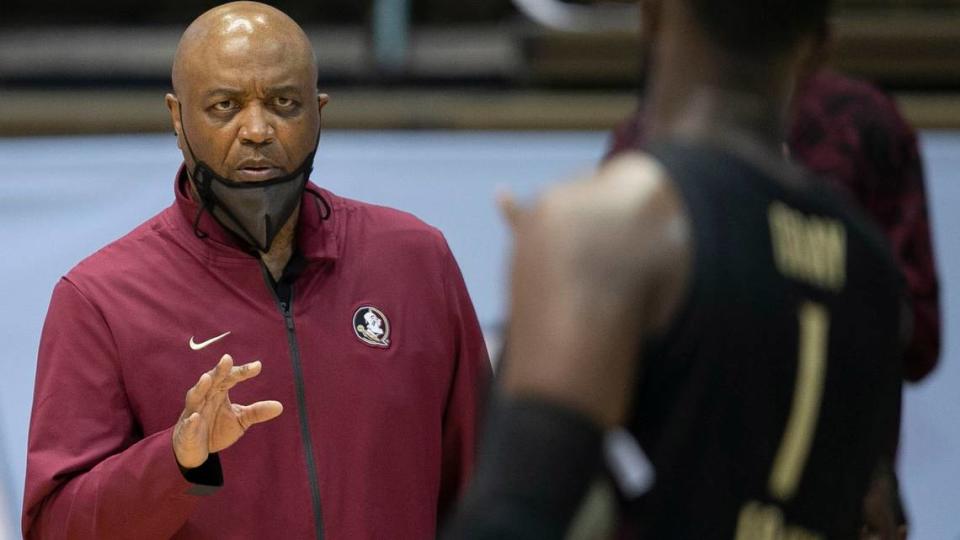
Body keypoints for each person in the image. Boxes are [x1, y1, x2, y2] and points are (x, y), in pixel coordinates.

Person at [22, 3, 491, 539]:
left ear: (319, 111)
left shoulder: (415, 260)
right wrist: (177, 460)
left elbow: (488, 494)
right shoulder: (100, 299)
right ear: (177, 118)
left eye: (284, 102)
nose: (257, 129)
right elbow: (55, 528)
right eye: (225, 105)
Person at [445, 0, 905, 538]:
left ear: (652, 17)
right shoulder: (872, 268)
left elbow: (511, 523)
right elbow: (877, 513)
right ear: (822, 46)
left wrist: (516, 348)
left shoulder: (612, 226)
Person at [606, 26, 941, 385]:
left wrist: (829, 266)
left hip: (830, 409)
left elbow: (919, 340)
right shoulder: (644, 142)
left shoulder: (858, 124)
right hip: (696, 413)